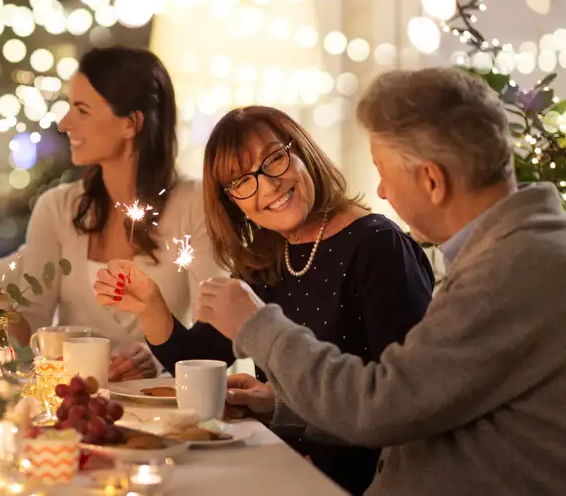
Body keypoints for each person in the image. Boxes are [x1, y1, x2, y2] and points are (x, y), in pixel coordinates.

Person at [196, 68, 566, 495]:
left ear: (431, 181)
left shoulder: (507, 274)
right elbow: (417, 405)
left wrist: (257, 326)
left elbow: (381, 409)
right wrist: (280, 406)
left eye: (384, 172)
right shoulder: (511, 251)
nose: (382, 191)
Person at [94, 106, 434, 493]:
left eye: (274, 159)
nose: (267, 186)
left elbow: (403, 406)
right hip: (276, 463)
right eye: (241, 181)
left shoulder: (379, 248)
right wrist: (151, 305)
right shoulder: (267, 255)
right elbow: (200, 361)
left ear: (302, 151)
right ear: (232, 202)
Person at [0, 46, 227, 382]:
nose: (65, 122)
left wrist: (158, 354)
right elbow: (33, 331)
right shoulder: (57, 208)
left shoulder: (196, 203)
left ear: (130, 123)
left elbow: (216, 331)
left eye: (81, 110)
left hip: (163, 409)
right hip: (76, 404)